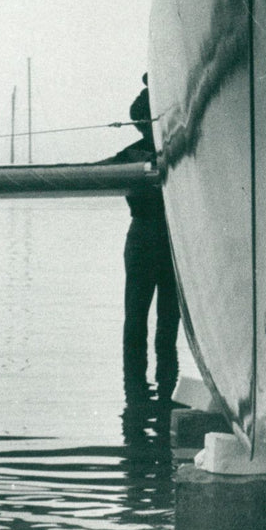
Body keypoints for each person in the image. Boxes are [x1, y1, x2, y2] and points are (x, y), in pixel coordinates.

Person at [123, 75, 180, 404]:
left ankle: (137, 397)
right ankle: (151, 393)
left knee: (148, 320)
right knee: (154, 322)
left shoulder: (134, 154)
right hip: (155, 236)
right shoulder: (140, 154)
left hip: (153, 237)